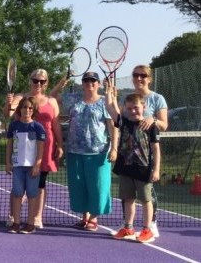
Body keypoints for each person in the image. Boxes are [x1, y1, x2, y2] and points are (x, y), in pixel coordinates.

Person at [51, 71, 118, 231]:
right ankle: (85, 217)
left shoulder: (105, 102)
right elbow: (52, 97)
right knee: (79, 186)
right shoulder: (73, 99)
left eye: (93, 81)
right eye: (86, 80)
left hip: (99, 152)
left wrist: (114, 148)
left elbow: (113, 126)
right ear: (82, 83)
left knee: (98, 186)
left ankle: (94, 218)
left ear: (98, 84)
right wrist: (63, 81)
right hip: (74, 151)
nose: (90, 83)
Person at [5, 69, 64, 228]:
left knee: (40, 183)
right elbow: (9, 115)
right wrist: (9, 103)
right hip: (23, 147)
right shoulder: (20, 97)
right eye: (35, 80)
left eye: (42, 81)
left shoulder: (51, 101)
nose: (38, 84)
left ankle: (37, 217)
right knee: (18, 185)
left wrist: (60, 145)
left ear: (46, 83)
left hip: (44, 145)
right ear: (30, 80)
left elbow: (56, 125)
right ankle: (13, 216)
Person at [106, 88, 161, 244]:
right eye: (129, 108)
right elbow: (110, 107)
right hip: (125, 167)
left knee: (146, 200)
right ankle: (128, 228)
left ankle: (147, 230)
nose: (132, 111)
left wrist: (156, 169)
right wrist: (109, 92)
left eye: (135, 107)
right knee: (128, 199)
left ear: (143, 106)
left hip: (143, 169)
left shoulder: (150, 126)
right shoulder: (123, 122)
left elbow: (156, 149)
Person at [129, 64, 168, 238]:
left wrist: (152, 119)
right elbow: (122, 119)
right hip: (129, 153)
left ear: (149, 79)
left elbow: (164, 125)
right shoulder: (128, 97)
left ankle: (151, 223)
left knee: (148, 191)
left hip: (148, 153)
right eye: (136, 75)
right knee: (129, 192)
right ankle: (127, 225)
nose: (139, 78)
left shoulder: (158, 98)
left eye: (143, 76)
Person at [5, 96, 45, 234]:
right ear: (20, 109)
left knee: (32, 195)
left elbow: (40, 149)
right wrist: (8, 162)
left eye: (30, 108)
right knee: (17, 194)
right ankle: (16, 223)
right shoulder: (14, 126)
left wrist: (37, 165)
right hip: (17, 166)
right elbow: (9, 145)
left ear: (33, 111)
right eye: (24, 107)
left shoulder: (38, 127)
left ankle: (30, 224)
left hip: (32, 167)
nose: (26, 110)